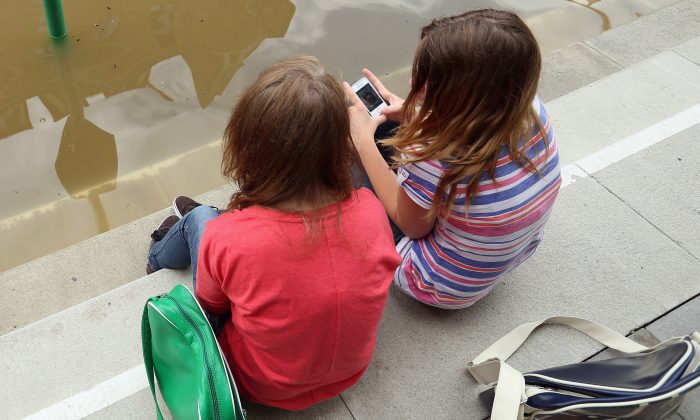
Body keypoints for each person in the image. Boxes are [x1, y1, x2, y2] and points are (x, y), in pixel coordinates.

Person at [146, 55, 401, 410]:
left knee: (202, 218)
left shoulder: (230, 237)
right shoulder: (371, 208)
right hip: (350, 372)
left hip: (258, 387)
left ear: (251, 147)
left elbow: (210, 307)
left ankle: (157, 256)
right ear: (342, 144)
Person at [345, 9, 561, 309]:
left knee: (348, 152)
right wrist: (414, 113)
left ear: (460, 96)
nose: (410, 82)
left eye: (425, 81)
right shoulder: (531, 110)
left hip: (435, 283)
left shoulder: (430, 151)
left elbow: (413, 228)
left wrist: (362, 143)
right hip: (506, 257)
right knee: (392, 127)